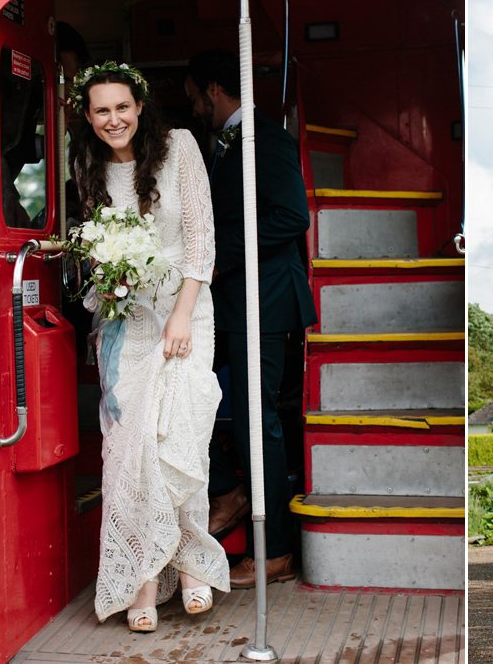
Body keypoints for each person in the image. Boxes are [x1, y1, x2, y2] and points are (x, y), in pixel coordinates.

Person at [70, 62, 229, 631]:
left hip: (187, 314)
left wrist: (181, 316)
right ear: (87, 118)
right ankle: (140, 578)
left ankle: (190, 568)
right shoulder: (87, 168)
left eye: (122, 107)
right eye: (101, 111)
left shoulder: (180, 148)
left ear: (139, 106)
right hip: (127, 324)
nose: (114, 119)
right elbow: (96, 254)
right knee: (132, 450)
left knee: (179, 438)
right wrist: (107, 279)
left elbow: (200, 240)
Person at [184, 49, 318, 589]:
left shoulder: (266, 136)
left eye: (195, 97)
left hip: (264, 300)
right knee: (215, 403)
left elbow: (292, 215)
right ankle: (231, 493)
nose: (195, 109)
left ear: (215, 88)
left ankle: (278, 551)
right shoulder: (232, 141)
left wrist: (221, 257)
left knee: (258, 423)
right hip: (241, 300)